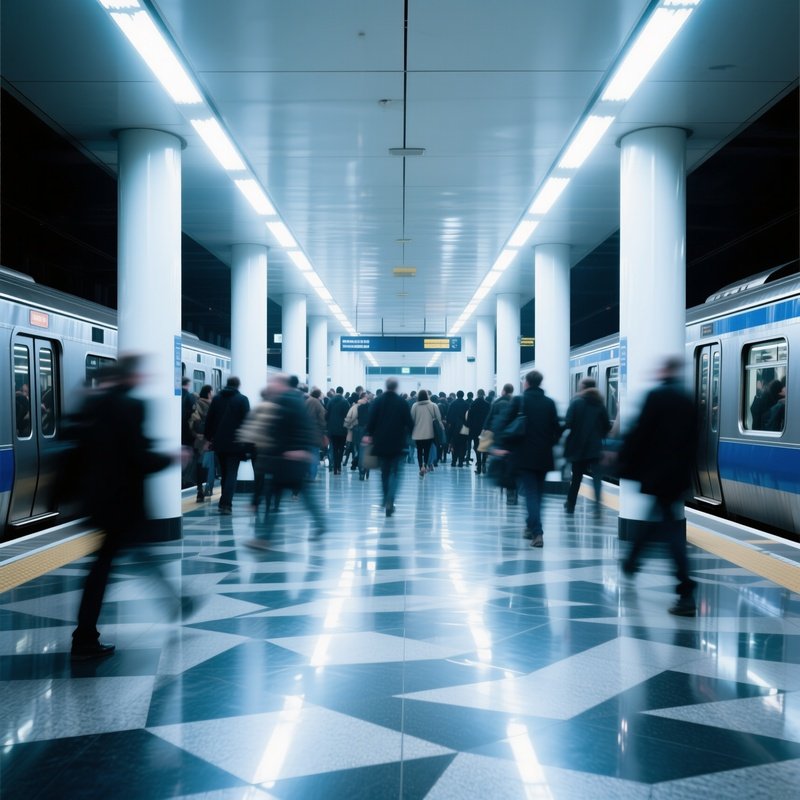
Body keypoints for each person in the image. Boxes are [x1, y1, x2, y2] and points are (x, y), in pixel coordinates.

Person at [70, 355, 174, 661]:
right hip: (123, 502)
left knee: (115, 562)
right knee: (107, 567)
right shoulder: (130, 406)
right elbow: (138, 457)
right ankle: (85, 636)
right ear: (132, 376)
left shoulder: (91, 404)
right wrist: (171, 459)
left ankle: (174, 601)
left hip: (98, 501)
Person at [619, 356, 699, 617]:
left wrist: (624, 463)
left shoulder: (657, 396)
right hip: (677, 478)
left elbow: (640, 434)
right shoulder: (688, 400)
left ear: (666, 370)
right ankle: (632, 562)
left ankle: (685, 587)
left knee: (669, 530)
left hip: (656, 475)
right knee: (660, 518)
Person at [246, 373, 325, 545]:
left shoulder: (289, 401)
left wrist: (299, 449)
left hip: (289, 459)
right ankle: (264, 538)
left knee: (283, 494)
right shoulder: (289, 400)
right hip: (285, 459)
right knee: (287, 495)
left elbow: (301, 428)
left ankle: (264, 538)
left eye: (272, 382)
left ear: (281, 384)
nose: (270, 385)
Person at [497, 371, 561, 547]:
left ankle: (537, 532)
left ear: (526, 383)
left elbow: (503, 424)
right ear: (539, 383)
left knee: (531, 494)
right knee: (538, 494)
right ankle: (530, 525)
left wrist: (502, 447)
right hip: (544, 456)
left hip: (523, 456)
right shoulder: (550, 403)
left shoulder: (519, 401)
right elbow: (557, 429)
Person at [363, 378, 413, 517]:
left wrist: (368, 434)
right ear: (396, 387)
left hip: (381, 443)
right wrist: (409, 434)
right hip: (397, 443)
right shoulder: (402, 402)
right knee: (396, 473)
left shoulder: (377, 401)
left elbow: (371, 421)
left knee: (384, 473)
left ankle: (385, 497)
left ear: (386, 386)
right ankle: (391, 499)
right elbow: (409, 423)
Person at [563, 377, 611, 515]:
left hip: (578, 448)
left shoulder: (575, 403)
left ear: (583, 387)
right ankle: (597, 507)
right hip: (595, 448)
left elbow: (568, 423)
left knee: (576, 478)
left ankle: (570, 504)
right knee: (597, 478)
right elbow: (607, 426)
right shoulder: (600, 404)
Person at [204, 376, 251, 514]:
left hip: (219, 443)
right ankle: (226, 504)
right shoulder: (242, 399)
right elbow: (247, 423)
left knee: (224, 472)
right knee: (231, 473)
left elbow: (209, 419)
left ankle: (223, 502)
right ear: (238, 385)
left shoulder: (217, 399)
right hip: (236, 443)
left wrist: (208, 438)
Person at [410, 389, 442, 477]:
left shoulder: (415, 406)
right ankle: (425, 464)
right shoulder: (433, 405)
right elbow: (438, 417)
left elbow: (412, 418)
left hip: (417, 432)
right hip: (429, 432)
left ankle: (421, 467)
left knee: (419, 451)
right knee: (427, 450)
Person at [191, 384, 214, 502]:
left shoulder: (197, 404)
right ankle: (208, 489)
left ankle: (200, 490)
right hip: (210, 441)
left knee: (200, 465)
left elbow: (192, 422)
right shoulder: (213, 405)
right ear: (209, 393)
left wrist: (196, 435)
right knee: (209, 465)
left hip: (199, 440)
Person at [326, 386, 350, 475]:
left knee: (334, 448)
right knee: (341, 449)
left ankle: (334, 467)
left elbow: (327, 415)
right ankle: (338, 466)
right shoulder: (345, 402)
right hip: (342, 430)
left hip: (332, 429)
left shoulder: (330, 401)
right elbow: (347, 416)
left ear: (336, 391)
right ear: (342, 392)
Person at [466, 388, 490, 474]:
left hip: (475, 429)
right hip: (485, 429)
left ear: (477, 394)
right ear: (483, 394)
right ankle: (484, 464)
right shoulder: (487, 404)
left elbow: (469, 417)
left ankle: (479, 467)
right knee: (484, 447)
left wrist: (469, 426)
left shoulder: (473, 404)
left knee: (477, 447)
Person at [446, 390, 469, 467]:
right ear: (463, 395)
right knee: (463, 445)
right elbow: (468, 416)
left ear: (457, 395)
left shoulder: (453, 404)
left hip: (454, 427)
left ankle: (454, 461)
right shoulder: (466, 404)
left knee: (454, 444)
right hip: (464, 427)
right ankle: (461, 462)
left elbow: (448, 416)